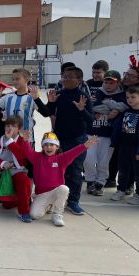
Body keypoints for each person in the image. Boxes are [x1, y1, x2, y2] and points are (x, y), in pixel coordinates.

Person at [9, 132, 98, 227]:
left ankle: (57, 215)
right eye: (46, 145)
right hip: (41, 194)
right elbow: (28, 152)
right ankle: (49, 206)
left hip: (56, 192)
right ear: (42, 147)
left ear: (57, 147)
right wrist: (26, 141)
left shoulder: (61, 158)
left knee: (64, 188)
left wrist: (85, 146)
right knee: (34, 215)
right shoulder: (37, 157)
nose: (49, 147)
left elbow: (74, 152)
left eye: (52, 145)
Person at [46, 66, 93, 215]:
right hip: (59, 140)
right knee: (57, 170)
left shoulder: (83, 96)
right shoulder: (59, 95)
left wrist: (81, 109)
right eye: (64, 76)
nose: (65, 79)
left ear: (79, 80)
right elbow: (46, 112)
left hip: (77, 140)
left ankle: (73, 201)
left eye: (70, 77)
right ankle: (55, 199)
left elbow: (90, 120)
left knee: (75, 172)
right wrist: (50, 102)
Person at [84, 70, 127, 196]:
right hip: (92, 132)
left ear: (118, 83)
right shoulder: (99, 92)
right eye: (106, 82)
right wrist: (113, 108)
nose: (108, 85)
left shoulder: (122, 94)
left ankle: (100, 183)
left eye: (111, 83)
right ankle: (90, 181)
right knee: (89, 159)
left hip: (108, 134)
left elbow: (125, 107)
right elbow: (93, 107)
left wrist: (108, 104)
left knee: (103, 162)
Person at [109, 86, 139, 204]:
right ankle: (121, 190)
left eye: (133, 97)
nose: (130, 99)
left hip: (136, 149)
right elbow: (119, 128)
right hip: (124, 147)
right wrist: (115, 142)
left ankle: (138, 194)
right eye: (128, 97)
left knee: (138, 173)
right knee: (122, 170)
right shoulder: (126, 112)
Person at [0, 115, 32, 222]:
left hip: (19, 171)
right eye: (8, 125)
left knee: (24, 182)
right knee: (7, 205)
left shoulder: (23, 140)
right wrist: (3, 163)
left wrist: (10, 141)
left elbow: (22, 160)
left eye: (14, 126)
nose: (10, 128)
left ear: (19, 129)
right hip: (5, 174)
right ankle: (22, 198)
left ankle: (24, 212)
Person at [0, 68, 50, 144]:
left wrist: (36, 99)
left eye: (17, 79)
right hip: (9, 140)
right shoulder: (7, 97)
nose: (14, 81)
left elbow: (46, 113)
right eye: (13, 79)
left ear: (26, 79)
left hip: (27, 140)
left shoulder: (32, 97)